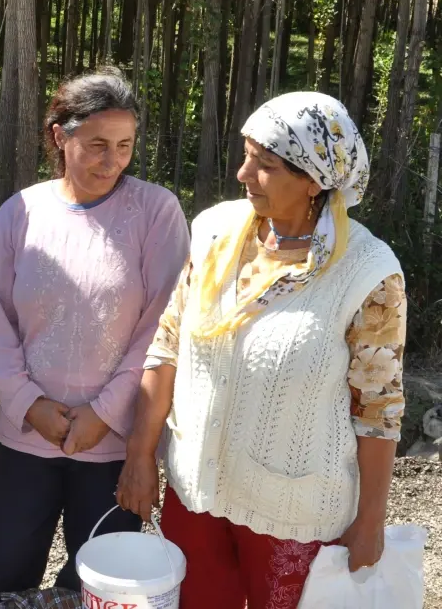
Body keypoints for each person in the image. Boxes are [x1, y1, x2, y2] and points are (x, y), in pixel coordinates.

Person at [117, 92, 406, 608]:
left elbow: (377, 410)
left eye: (264, 164)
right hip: (195, 495)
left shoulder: (367, 273)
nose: (242, 173)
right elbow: (167, 345)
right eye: (247, 154)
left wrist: (370, 522)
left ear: (315, 180)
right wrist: (140, 452)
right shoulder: (214, 233)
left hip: (293, 513)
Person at [0, 71, 189, 606]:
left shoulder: (156, 213)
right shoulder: (19, 214)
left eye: (124, 146)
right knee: (1, 581)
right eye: (96, 146)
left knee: (103, 588)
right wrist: (28, 404)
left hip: (115, 444)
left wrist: (106, 412)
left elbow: (162, 327)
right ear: (58, 137)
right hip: (26, 435)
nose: (111, 161)